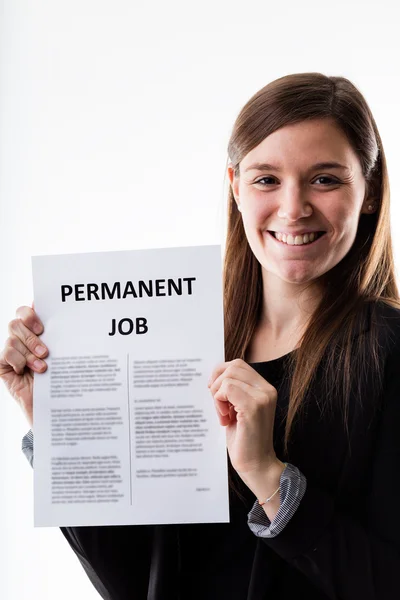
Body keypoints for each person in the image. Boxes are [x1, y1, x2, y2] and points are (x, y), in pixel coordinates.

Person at [2, 71, 400, 599]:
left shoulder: (391, 353)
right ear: (235, 187)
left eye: (325, 179)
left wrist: (268, 477)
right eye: (266, 179)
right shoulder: (183, 339)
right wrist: (56, 420)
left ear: (368, 192)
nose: (293, 207)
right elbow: (131, 581)